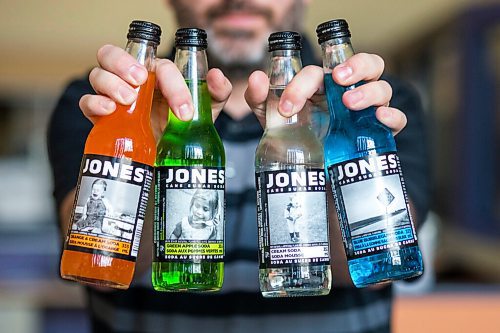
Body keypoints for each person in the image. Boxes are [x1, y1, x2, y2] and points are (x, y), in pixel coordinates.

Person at [47, 0, 430, 332]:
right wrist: (147, 150)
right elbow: (99, 269)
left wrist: (329, 148)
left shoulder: (377, 103)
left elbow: (380, 268)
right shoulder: (103, 102)